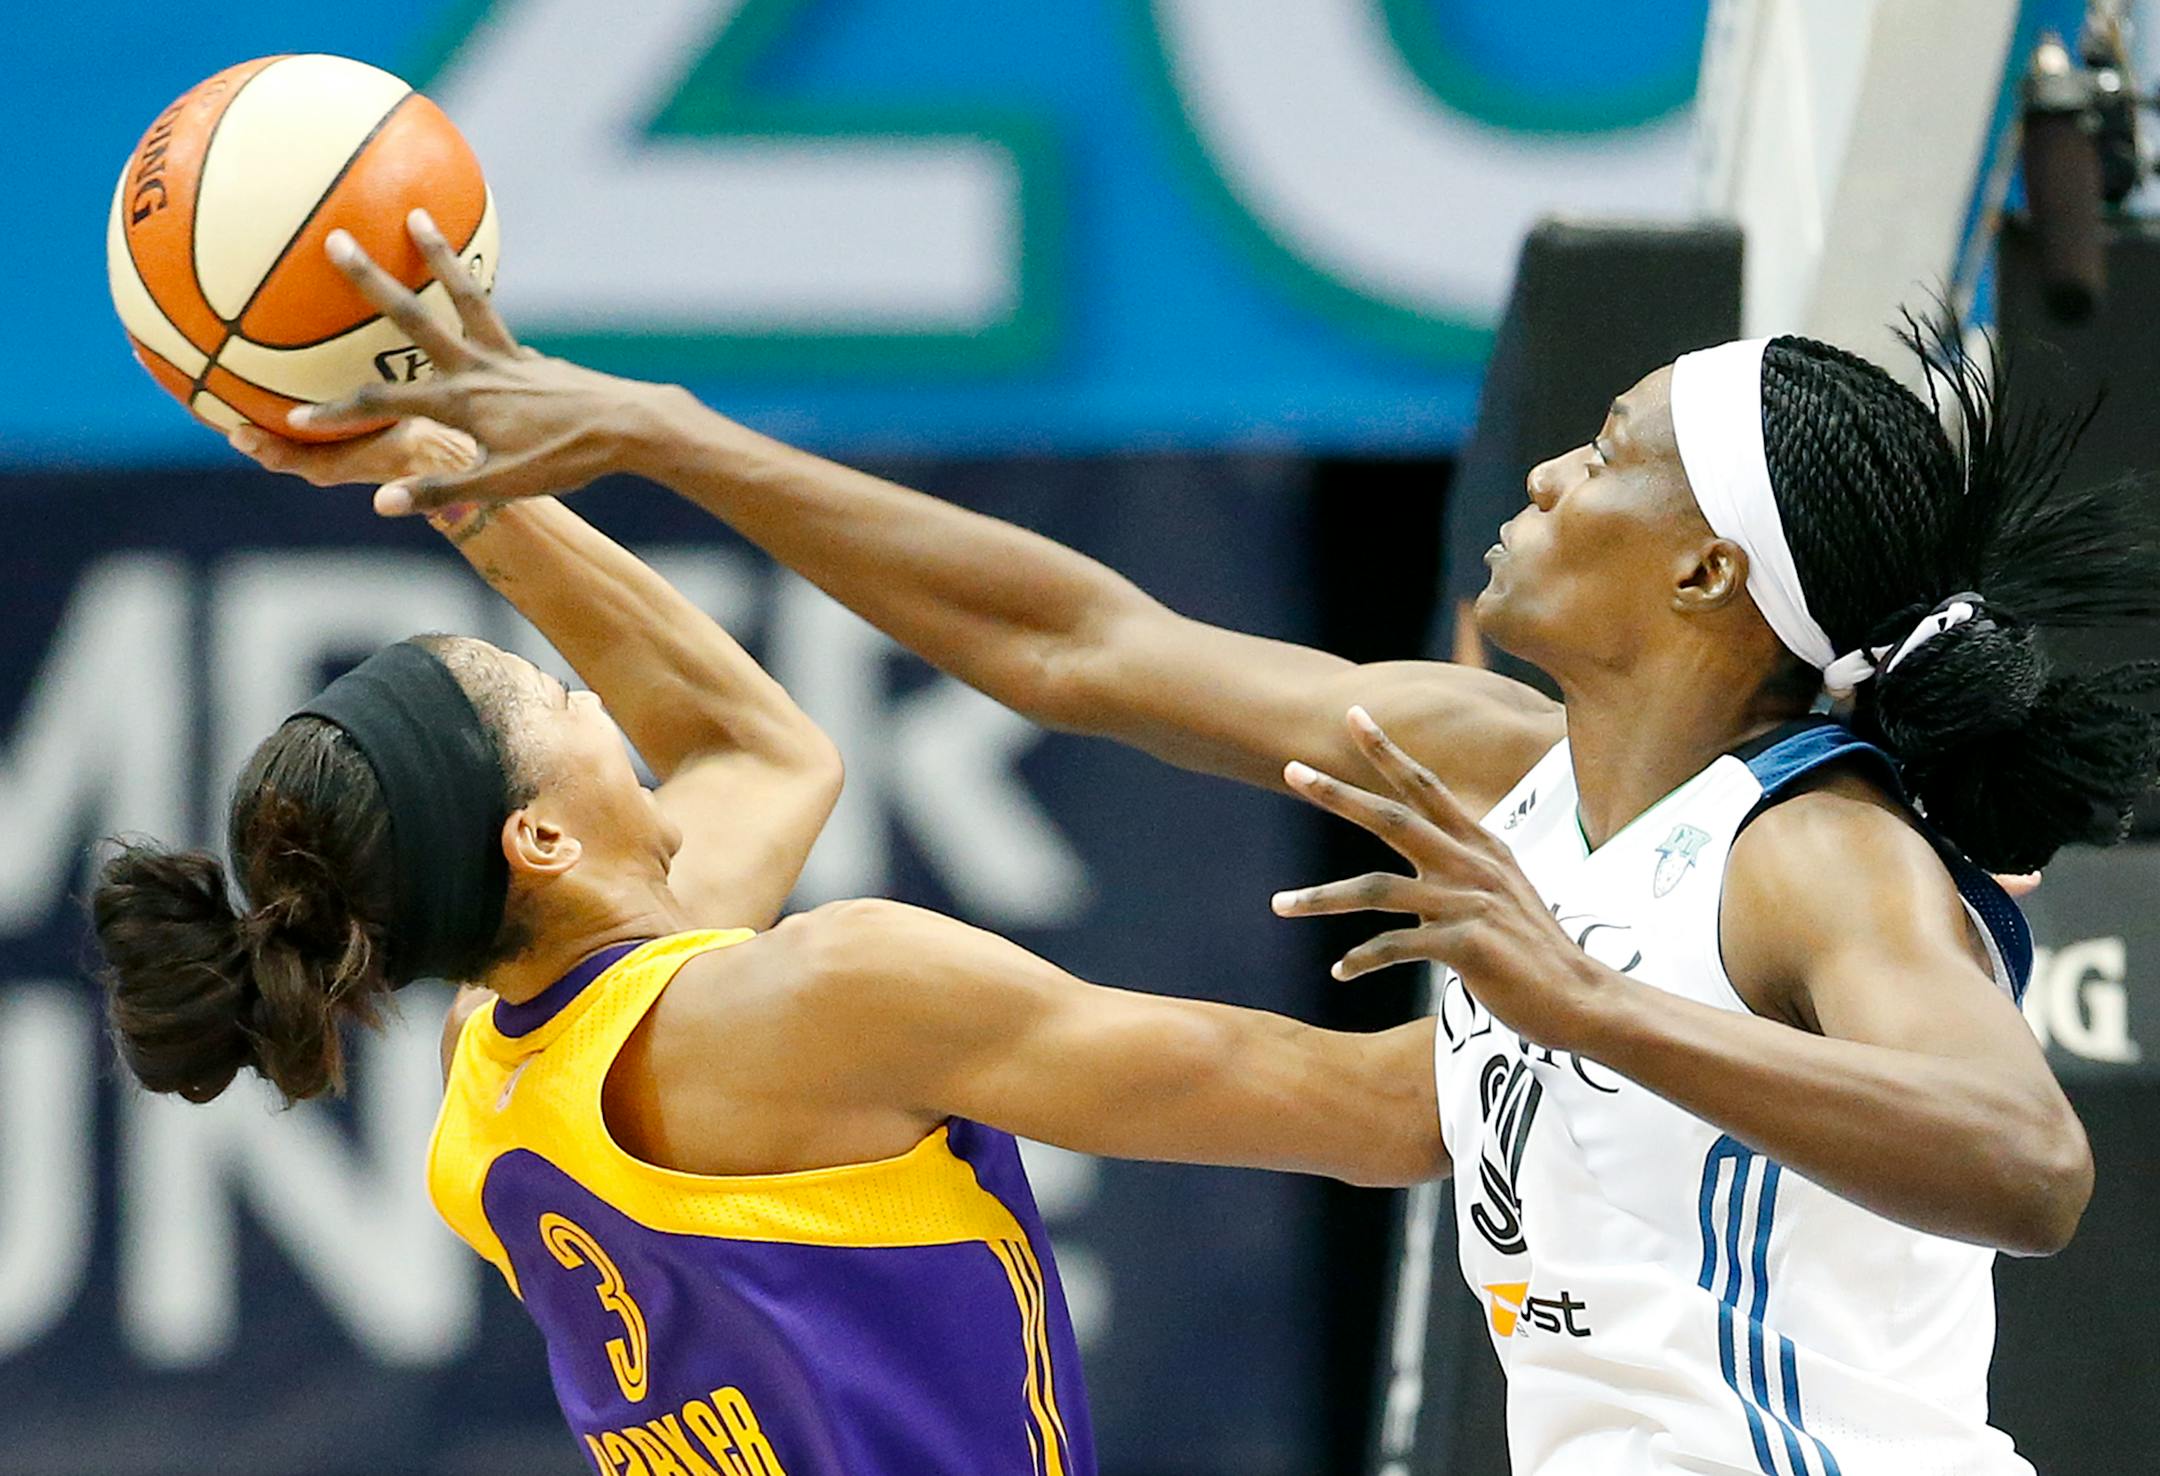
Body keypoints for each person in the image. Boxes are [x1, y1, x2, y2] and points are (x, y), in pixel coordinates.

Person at [245, 212, 2160, 1476]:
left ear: (1702, 569)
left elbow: (2031, 1160)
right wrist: (659, 434)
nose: (1552, 472)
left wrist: (1588, 1006)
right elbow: (1075, 645)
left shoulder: (1815, 850)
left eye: (1605, 452)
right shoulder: (1493, 766)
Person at [93, 482, 1447, 1475]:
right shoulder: (836, 994)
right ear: (543, 837)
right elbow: (1392, 1117)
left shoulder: (493, 1079)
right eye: (547, 694)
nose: (590, 694)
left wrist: (463, 478)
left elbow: (756, 754)